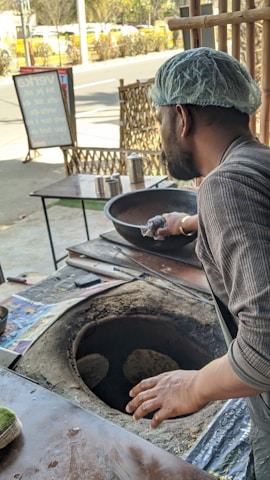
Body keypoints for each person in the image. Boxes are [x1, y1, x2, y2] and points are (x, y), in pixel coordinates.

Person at [125, 47, 270, 479]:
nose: (162, 134)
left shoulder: (224, 188)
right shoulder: (258, 162)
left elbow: (265, 351)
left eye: (161, 120)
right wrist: (185, 222)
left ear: (182, 117)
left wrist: (194, 386)